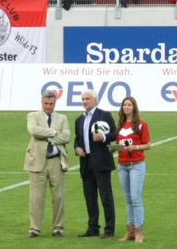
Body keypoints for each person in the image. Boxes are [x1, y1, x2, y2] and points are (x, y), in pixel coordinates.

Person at [25, 90, 71, 238]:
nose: (48, 106)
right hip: (37, 161)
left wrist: (47, 136)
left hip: (56, 161)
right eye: (46, 103)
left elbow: (67, 136)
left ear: (55, 103)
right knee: (36, 198)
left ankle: (58, 228)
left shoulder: (62, 118)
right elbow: (33, 130)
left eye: (51, 103)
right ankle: (34, 229)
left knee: (58, 197)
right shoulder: (32, 116)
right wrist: (54, 132)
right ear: (41, 102)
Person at [74, 89, 117, 238]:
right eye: (83, 99)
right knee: (90, 197)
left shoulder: (104, 115)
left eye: (87, 99)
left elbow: (114, 134)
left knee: (106, 197)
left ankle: (109, 230)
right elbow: (77, 139)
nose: (84, 101)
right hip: (85, 163)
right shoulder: (79, 119)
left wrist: (104, 137)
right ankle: (93, 228)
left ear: (95, 101)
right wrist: (76, 148)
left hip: (101, 162)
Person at [115, 97, 151, 243]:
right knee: (128, 200)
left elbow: (148, 145)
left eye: (129, 105)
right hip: (122, 165)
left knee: (136, 198)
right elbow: (120, 145)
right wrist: (115, 148)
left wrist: (134, 147)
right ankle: (130, 231)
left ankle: (138, 232)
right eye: (124, 105)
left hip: (136, 164)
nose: (126, 107)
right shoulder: (120, 125)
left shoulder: (141, 125)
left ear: (134, 107)